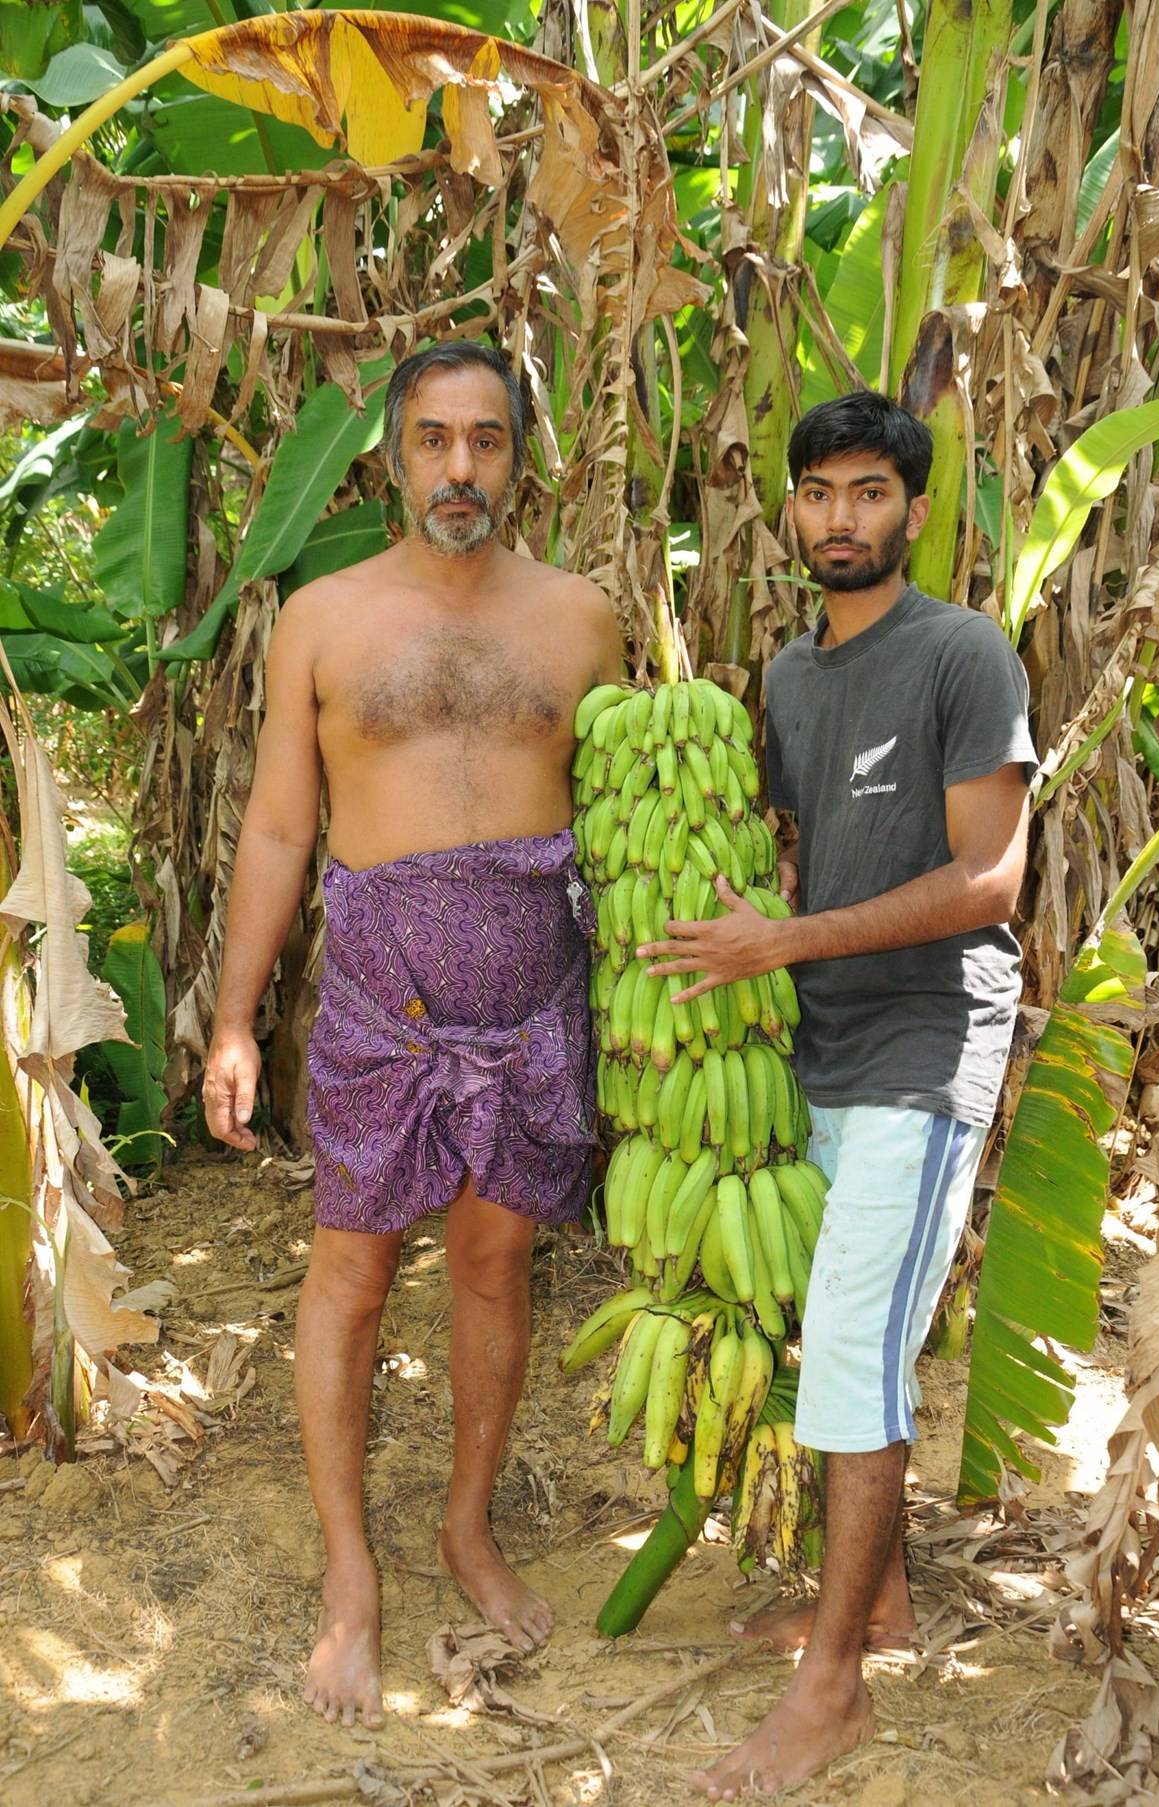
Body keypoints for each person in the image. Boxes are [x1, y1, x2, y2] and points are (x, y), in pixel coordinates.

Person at [203, 341, 623, 1729]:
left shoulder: (582, 620)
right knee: (352, 1275)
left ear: (520, 453)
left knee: (495, 1268)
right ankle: (348, 1581)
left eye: (487, 440)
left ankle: (467, 1528)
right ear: (390, 450)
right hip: (383, 1001)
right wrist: (234, 1016)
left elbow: (620, 827)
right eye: (434, 438)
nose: (460, 468)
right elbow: (278, 825)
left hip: (533, 998)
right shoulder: (321, 616)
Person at [639, 390, 1037, 1797]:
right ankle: (875, 1600)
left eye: (870, 493)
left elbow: (991, 879)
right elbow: (830, 860)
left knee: (858, 1351)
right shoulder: (791, 680)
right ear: (789, 510)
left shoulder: (963, 653)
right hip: (815, 1039)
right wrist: (764, 916)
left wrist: (785, 939)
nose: (840, 520)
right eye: (819, 494)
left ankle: (834, 1688)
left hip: (927, 1047)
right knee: (834, 1344)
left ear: (913, 513)